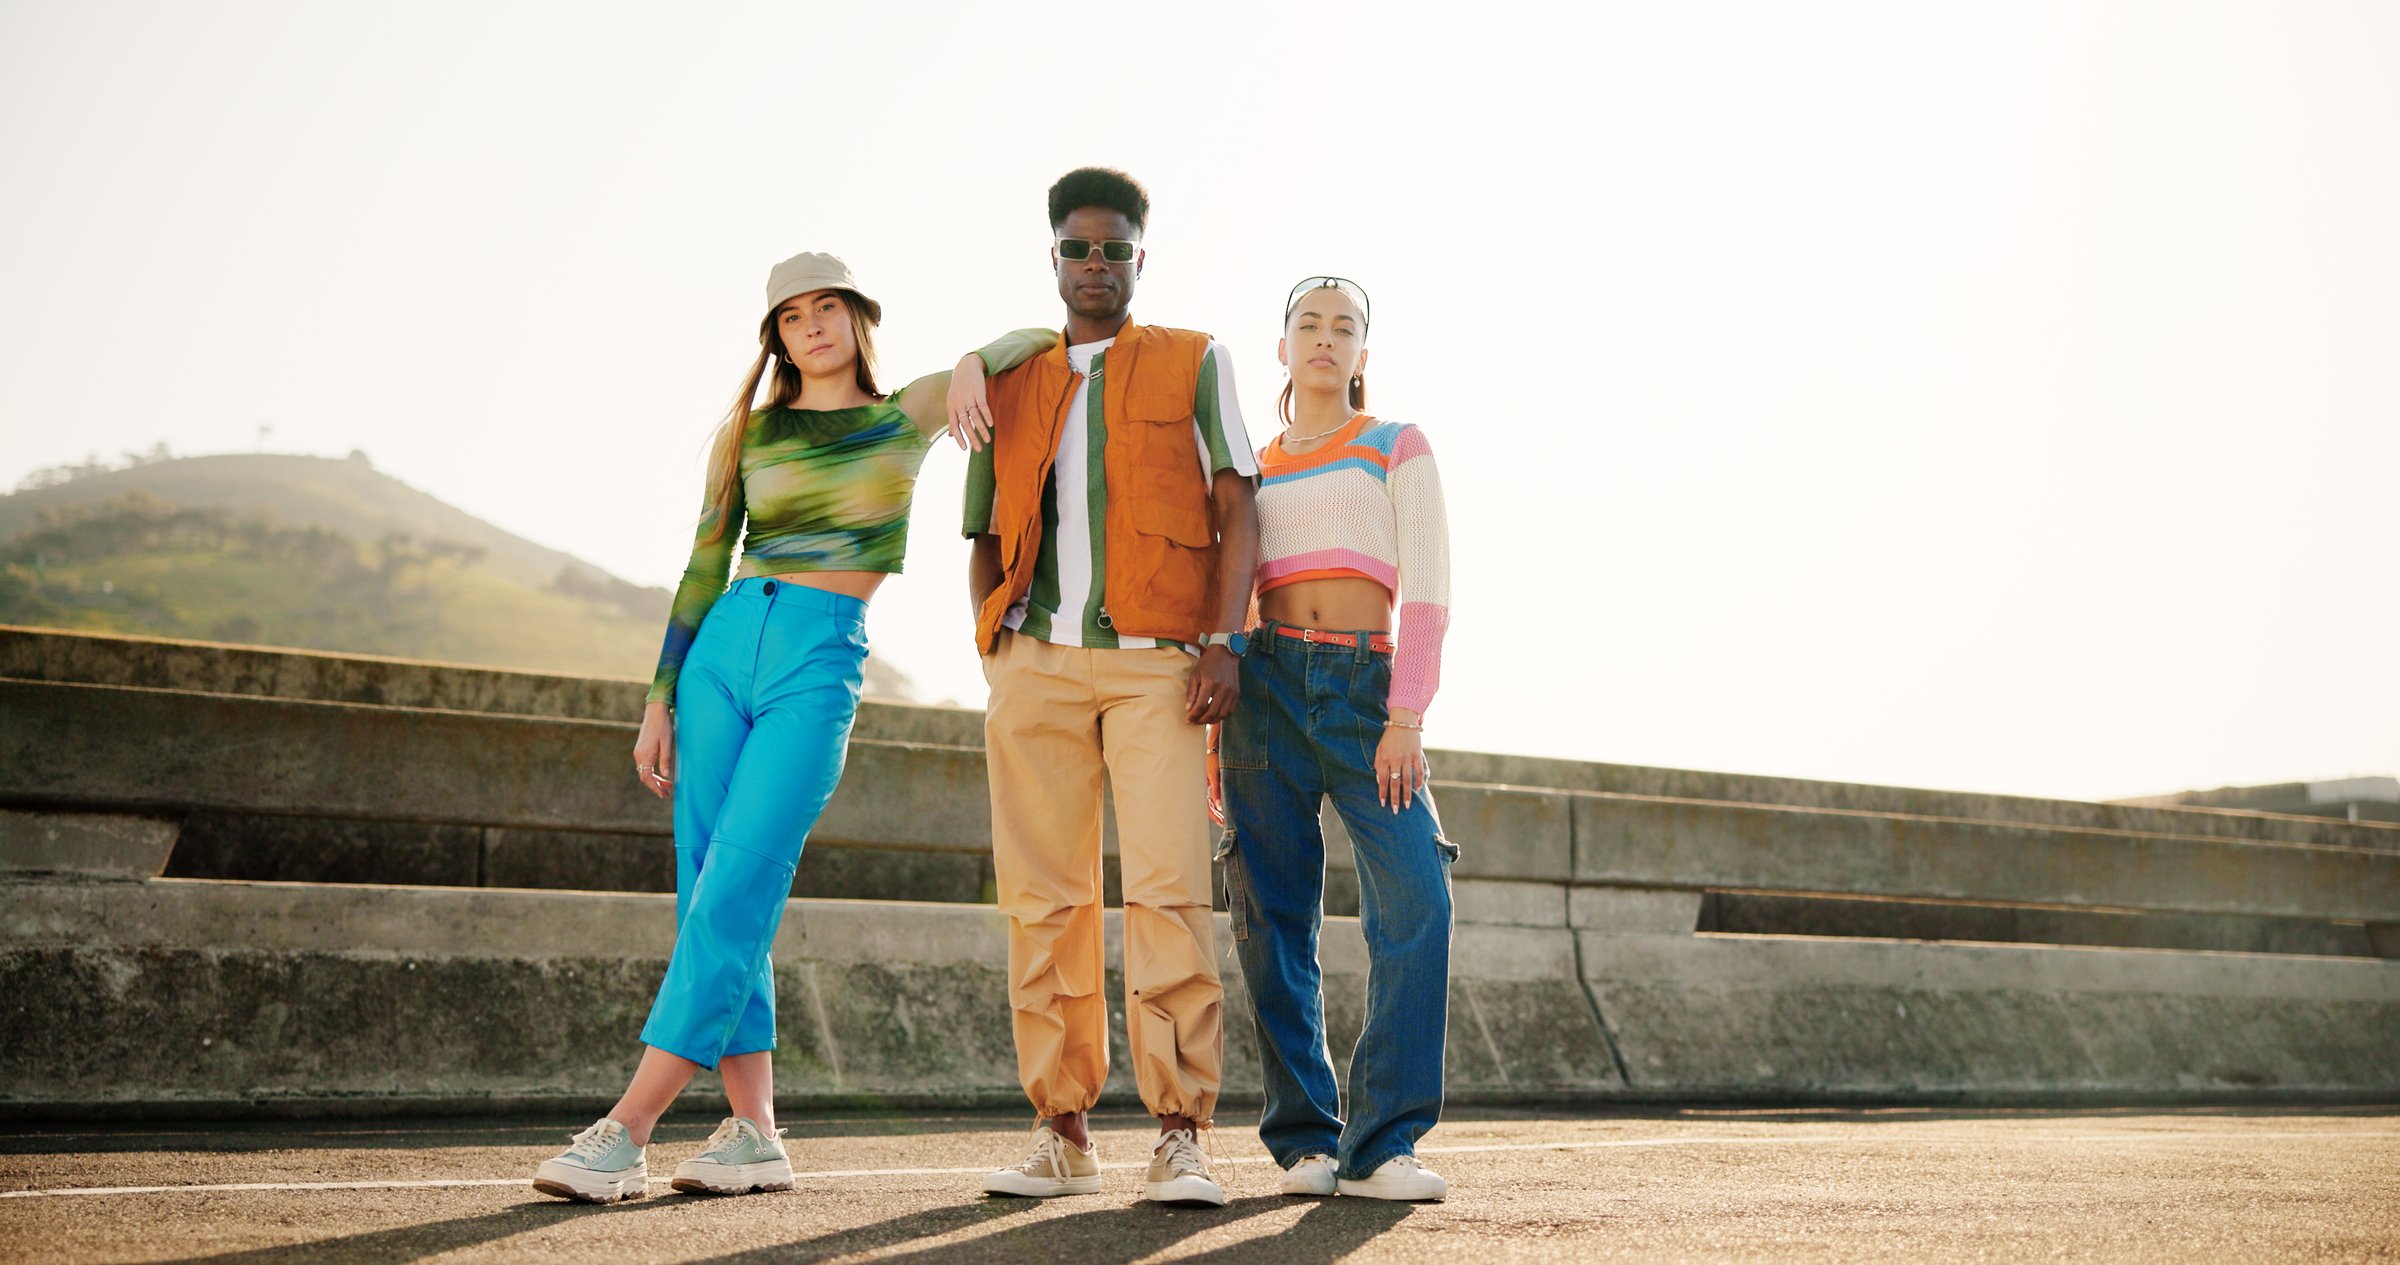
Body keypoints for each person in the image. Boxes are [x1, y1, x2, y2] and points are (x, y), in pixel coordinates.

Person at [531, 252, 1053, 1204]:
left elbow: (1042, 340)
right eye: (791, 316)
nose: (811, 327)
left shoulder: (908, 413)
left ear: (858, 319)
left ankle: (629, 1126)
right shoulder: (754, 431)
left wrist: (975, 361)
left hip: (817, 656)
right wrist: (659, 696)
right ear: (775, 335)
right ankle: (756, 1134)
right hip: (722, 649)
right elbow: (701, 561)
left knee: (741, 876)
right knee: (710, 887)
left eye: (828, 309)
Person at [959, 167, 1259, 1207]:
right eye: (1079, 248)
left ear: (1141, 257)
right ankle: (1062, 1129)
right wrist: (995, 645)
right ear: (1054, 257)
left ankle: (1181, 1131)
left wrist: (1223, 641)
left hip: (1157, 666)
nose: (1097, 265)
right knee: (1043, 898)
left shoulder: (1193, 359)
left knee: (1170, 888)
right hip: (1033, 663)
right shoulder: (1010, 379)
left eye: (1115, 249)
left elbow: (1238, 502)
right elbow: (984, 532)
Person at [1211, 275, 1456, 1202]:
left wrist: (1407, 714)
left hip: (1364, 691)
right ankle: (1306, 1140)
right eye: (1307, 324)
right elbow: (1232, 599)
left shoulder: (1396, 445)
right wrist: (1213, 745)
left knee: (1417, 894)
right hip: (1263, 689)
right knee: (1270, 912)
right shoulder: (1253, 465)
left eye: (1342, 327)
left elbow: (1428, 585)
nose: (1324, 338)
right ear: (1282, 348)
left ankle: (1383, 1142)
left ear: (1361, 353)